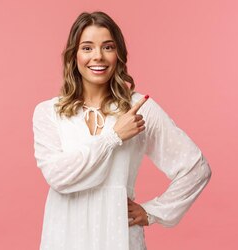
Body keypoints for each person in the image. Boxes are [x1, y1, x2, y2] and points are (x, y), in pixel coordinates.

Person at [32, 11, 212, 250]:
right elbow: (59, 178)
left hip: (118, 235)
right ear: (73, 55)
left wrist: (152, 212)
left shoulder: (138, 109)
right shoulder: (49, 112)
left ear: (118, 54)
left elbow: (196, 168)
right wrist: (113, 137)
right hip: (65, 235)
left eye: (107, 47)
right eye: (87, 48)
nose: (98, 56)